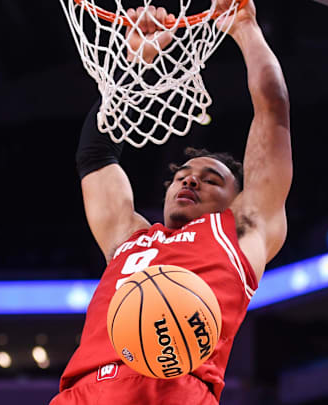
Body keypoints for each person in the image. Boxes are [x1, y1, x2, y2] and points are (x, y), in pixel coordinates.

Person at [50, 0, 291, 403]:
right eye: (182, 176)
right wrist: (133, 62)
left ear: (237, 200)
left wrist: (245, 27)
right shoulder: (130, 236)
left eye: (211, 180)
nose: (191, 181)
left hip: (172, 389)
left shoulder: (243, 230)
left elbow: (274, 112)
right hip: (82, 392)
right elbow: (95, 156)